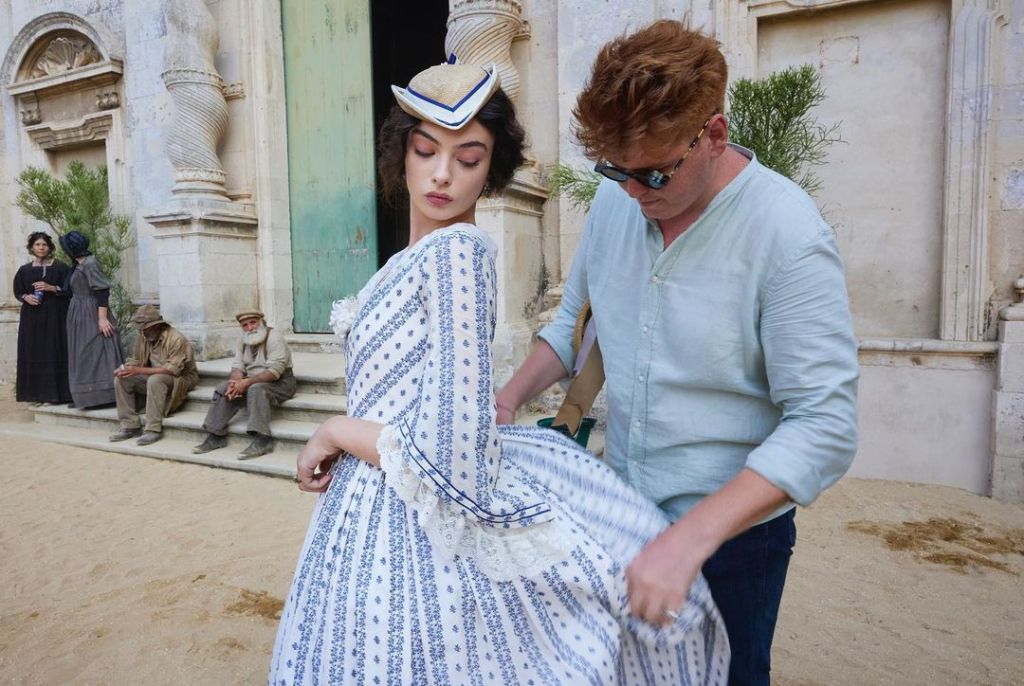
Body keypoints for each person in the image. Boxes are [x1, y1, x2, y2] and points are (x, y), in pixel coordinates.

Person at [269, 61, 729, 685]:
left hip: (412, 517)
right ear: (401, 154)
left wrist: (333, 430)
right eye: (426, 151)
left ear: (491, 170)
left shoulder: (457, 253)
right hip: (372, 507)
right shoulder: (409, 259)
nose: (442, 174)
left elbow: (453, 456)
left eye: (469, 159)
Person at [495, 21, 859, 686]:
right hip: (621, 511)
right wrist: (507, 398)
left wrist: (689, 540)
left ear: (713, 135)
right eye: (616, 171)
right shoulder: (618, 204)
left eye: (653, 173)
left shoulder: (789, 237)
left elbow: (824, 425)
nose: (633, 193)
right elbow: (573, 330)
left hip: (733, 541)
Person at [192, 310, 296, 459]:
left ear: (261, 322)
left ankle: (263, 439)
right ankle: (216, 435)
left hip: (281, 382)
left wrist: (246, 382)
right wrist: (235, 383)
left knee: (256, 389)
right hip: (252, 380)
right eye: (245, 325)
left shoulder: (274, 337)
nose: (250, 328)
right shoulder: (243, 340)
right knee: (223, 388)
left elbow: (274, 372)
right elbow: (238, 366)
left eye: (253, 323)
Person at [109, 305, 198, 446]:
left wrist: (139, 370)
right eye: (140, 329)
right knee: (122, 379)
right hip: (153, 376)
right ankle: (129, 425)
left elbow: (172, 370)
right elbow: (136, 360)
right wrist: (126, 369)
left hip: (180, 378)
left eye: (144, 329)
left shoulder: (176, 339)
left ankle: (153, 428)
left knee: (156, 379)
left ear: (156, 326)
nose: (141, 332)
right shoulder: (143, 336)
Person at [60, 230, 124, 409]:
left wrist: (102, 319)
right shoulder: (79, 264)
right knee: (82, 353)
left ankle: (104, 396)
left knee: (95, 350)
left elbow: (102, 291)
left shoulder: (90, 263)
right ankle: (85, 397)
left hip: (91, 312)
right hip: (79, 313)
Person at [12, 232, 72, 404]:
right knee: (34, 351)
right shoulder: (24, 270)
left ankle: (57, 395)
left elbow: (70, 291)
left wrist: (51, 288)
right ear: (32, 247)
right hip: (32, 318)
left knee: (53, 351)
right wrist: (26, 297)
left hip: (55, 317)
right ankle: (36, 395)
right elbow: (18, 291)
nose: (41, 248)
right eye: (37, 244)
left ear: (49, 247)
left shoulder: (61, 267)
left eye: (44, 244)